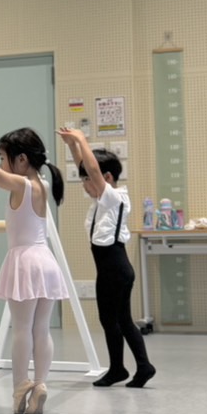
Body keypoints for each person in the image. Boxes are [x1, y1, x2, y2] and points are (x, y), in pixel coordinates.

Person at [0, 128, 68, 414]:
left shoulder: (21, 185)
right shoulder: (43, 184)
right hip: (45, 260)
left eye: (4, 157)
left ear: (22, 159)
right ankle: (40, 383)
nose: (1, 163)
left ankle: (20, 386)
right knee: (42, 329)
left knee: (22, 329)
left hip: (25, 261)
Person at [59, 128, 155, 389]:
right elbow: (86, 166)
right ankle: (131, 367)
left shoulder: (113, 197)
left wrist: (81, 138)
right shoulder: (103, 202)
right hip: (111, 269)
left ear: (108, 177)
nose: (85, 184)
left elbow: (92, 168)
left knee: (114, 320)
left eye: (88, 179)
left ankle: (126, 368)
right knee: (116, 319)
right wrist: (72, 145)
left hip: (115, 268)